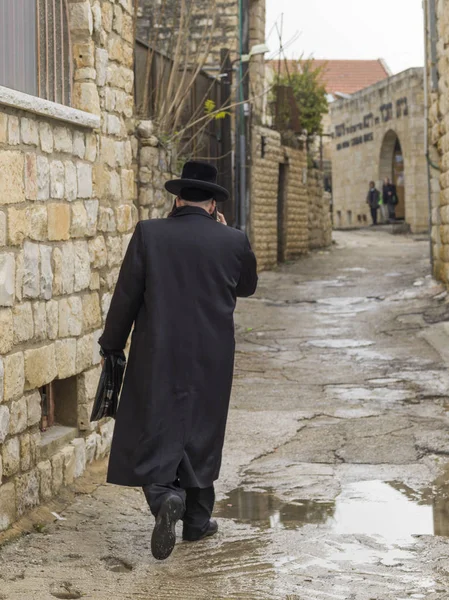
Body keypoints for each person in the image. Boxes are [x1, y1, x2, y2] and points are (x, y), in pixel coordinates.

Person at [98, 161, 258, 561]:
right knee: (202, 432)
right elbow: (248, 286)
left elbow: (126, 297)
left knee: (153, 427)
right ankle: (198, 521)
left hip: (158, 352)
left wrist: (112, 345)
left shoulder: (150, 233)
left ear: (177, 198)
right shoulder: (233, 240)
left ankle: (165, 496)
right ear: (212, 204)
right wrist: (223, 234)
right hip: (213, 358)